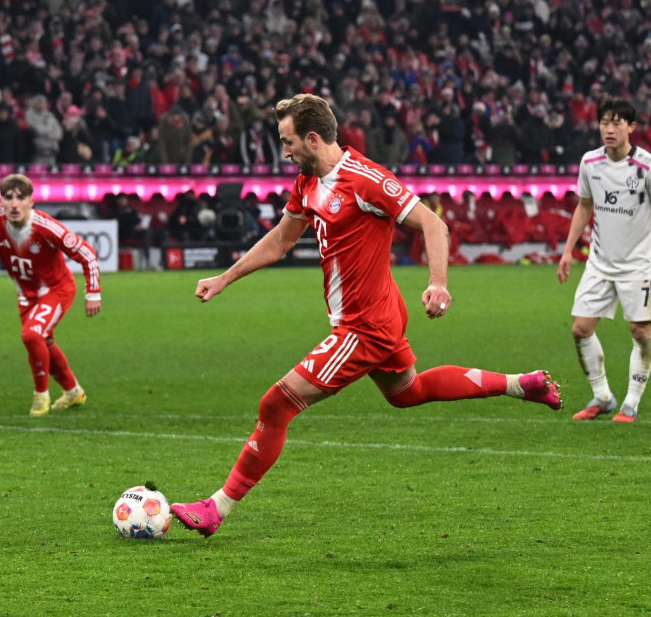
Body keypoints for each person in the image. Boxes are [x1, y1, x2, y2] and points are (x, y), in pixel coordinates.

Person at [170, 94, 561, 537]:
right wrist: (225, 278)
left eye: (288, 141)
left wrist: (438, 283)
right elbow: (280, 241)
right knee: (408, 392)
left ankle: (216, 508)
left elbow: (434, 225)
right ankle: (520, 385)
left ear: (313, 139)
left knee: (275, 404)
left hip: (365, 327)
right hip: (376, 315)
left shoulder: (366, 179)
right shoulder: (308, 180)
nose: (285, 152)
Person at [557, 98, 651, 423]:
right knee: (581, 329)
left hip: (639, 265)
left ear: (631, 128)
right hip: (599, 262)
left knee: (640, 330)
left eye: (617, 123)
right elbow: (583, 206)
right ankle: (602, 396)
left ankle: (631, 403)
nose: (609, 129)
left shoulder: (650, 166)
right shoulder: (590, 163)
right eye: (605, 122)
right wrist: (568, 250)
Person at [0, 174, 102, 417]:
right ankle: (73, 392)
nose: (14, 204)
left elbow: (86, 253)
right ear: (0, 201)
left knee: (32, 335)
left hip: (56, 290)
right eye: (8, 198)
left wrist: (93, 292)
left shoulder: (45, 227)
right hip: (26, 295)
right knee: (44, 343)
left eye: (21, 198)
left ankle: (41, 396)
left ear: (32, 202)